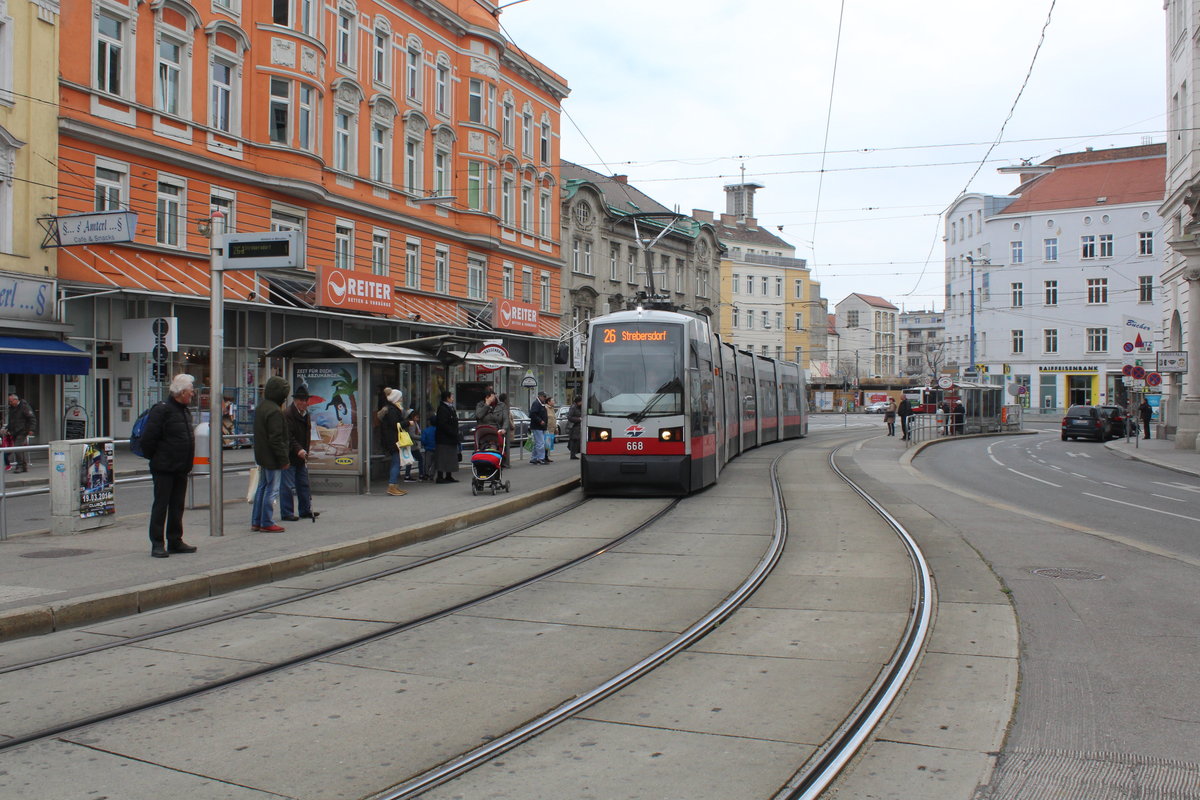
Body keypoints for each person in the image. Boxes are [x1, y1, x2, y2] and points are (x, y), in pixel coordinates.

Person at [138, 373, 198, 558]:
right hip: (164, 467)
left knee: (177, 505)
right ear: (180, 392)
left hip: (181, 467)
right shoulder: (162, 410)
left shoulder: (184, 410)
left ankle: (175, 540)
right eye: (190, 391)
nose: (193, 394)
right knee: (161, 505)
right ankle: (157, 543)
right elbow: (148, 439)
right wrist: (157, 458)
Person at [251, 376, 290, 533]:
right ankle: (266, 521)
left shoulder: (261, 407)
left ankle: (256, 521)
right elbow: (276, 439)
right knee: (272, 489)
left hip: (261, 455)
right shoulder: (275, 411)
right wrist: (284, 459)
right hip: (272, 458)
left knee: (261, 487)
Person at [280, 385, 318, 521]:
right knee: (287, 485)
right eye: (301, 400)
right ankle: (286, 513)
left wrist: (306, 450)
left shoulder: (306, 414)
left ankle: (305, 510)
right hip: (290, 454)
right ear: (296, 401)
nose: (304, 403)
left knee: (303, 483)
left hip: (302, 454)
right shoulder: (288, 414)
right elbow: (288, 437)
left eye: (305, 400)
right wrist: (299, 449)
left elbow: (306, 434)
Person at [380, 388, 408, 496]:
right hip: (393, 439)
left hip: (392, 439)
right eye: (400, 397)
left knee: (397, 462)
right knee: (396, 462)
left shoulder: (392, 409)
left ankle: (395, 485)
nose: (401, 399)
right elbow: (395, 424)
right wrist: (407, 423)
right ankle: (392, 485)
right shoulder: (392, 410)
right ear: (396, 398)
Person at [433, 389, 461, 483]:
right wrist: (452, 432)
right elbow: (443, 424)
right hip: (444, 438)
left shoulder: (450, 407)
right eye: (451, 397)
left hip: (451, 438)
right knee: (442, 458)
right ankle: (440, 477)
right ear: (447, 398)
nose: (453, 398)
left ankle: (449, 475)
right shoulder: (442, 408)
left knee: (450, 458)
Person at [5, 393, 37, 473]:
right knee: (20, 449)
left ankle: (19, 466)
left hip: (23, 430)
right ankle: (24, 466)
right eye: (9, 401)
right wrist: (8, 428)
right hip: (15, 431)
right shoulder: (12, 408)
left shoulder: (24, 407)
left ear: (16, 400)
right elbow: (12, 420)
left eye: (11, 401)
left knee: (17, 447)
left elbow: (32, 418)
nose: (10, 403)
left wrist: (31, 429)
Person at [529, 391, 549, 464]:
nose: (545, 398)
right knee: (540, 443)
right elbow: (532, 414)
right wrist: (540, 421)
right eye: (544, 397)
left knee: (537, 443)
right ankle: (541, 458)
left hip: (539, 426)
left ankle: (534, 458)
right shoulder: (537, 403)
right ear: (540, 396)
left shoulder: (540, 404)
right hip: (537, 426)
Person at [404, 411, 424, 482]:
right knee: (420, 459)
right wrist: (421, 438)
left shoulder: (414, 423)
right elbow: (412, 435)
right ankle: (421, 474)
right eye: (416, 417)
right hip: (413, 444)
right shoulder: (412, 424)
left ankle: (407, 475)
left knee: (410, 460)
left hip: (412, 444)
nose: (418, 419)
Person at [498, 392, 515, 468]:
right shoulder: (504, 407)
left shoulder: (500, 406)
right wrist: (512, 426)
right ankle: (503, 462)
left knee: (503, 446)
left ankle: (503, 462)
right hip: (505, 430)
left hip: (503, 429)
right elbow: (507, 419)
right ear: (505, 400)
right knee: (504, 447)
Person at [421, 414, 437, 479]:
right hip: (436, 449)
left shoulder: (426, 430)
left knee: (427, 463)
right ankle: (432, 475)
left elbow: (423, 440)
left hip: (428, 449)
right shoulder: (438, 430)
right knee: (434, 463)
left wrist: (425, 445)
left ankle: (426, 474)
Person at [567, 395, 583, 459]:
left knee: (576, 440)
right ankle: (572, 455)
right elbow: (569, 417)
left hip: (578, 426)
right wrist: (579, 419)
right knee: (574, 440)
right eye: (581, 401)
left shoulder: (579, 407)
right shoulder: (573, 407)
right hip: (574, 426)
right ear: (578, 402)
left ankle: (574, 454)